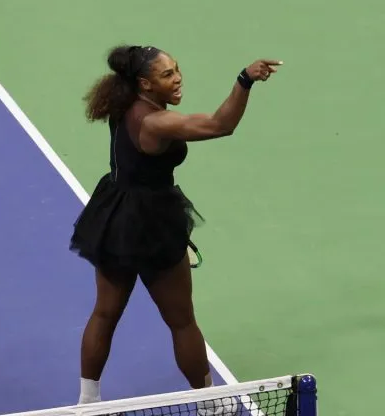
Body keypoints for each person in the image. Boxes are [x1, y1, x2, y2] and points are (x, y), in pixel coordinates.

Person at [69, 44, 281, 405]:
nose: (178, 78)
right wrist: (245, 80)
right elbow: (220, 125)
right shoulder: (156, 122)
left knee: (104, 313)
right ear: (145, 84)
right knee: (182, 321)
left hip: (115, 214)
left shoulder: (124, 104)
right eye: (167, 74)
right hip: (152, 224)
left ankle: (88, 403)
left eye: (176, 69)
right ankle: (212, 404)